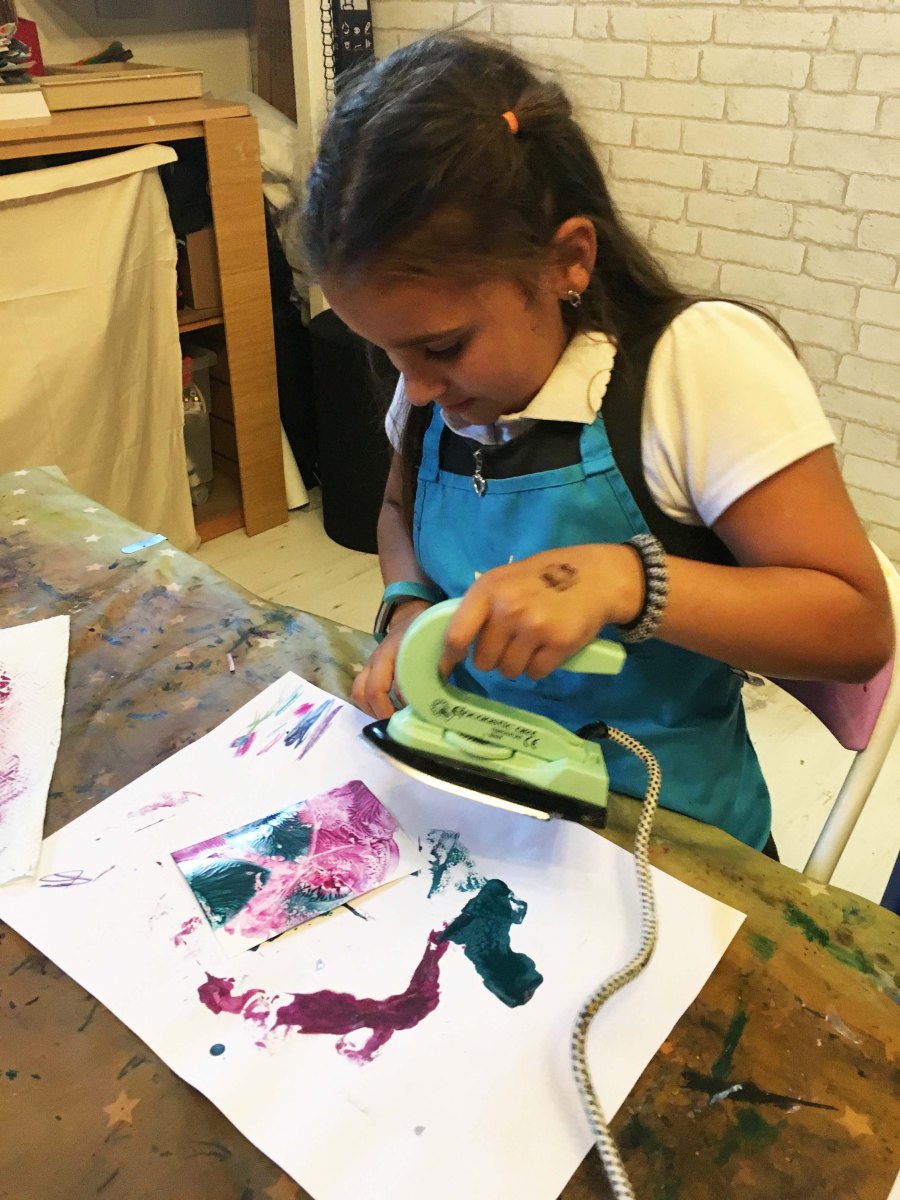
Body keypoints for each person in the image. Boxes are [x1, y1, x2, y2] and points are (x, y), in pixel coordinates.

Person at [302, 33, 893, 852]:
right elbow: (399, 512)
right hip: (489, 803)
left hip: (664, 840)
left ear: (567, 260)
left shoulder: (693, 368)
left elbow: (857, 628)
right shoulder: (433, 376)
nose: (417, 389)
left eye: (442, 347)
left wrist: (625, 579)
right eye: (385, 353)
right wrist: (408, 609)